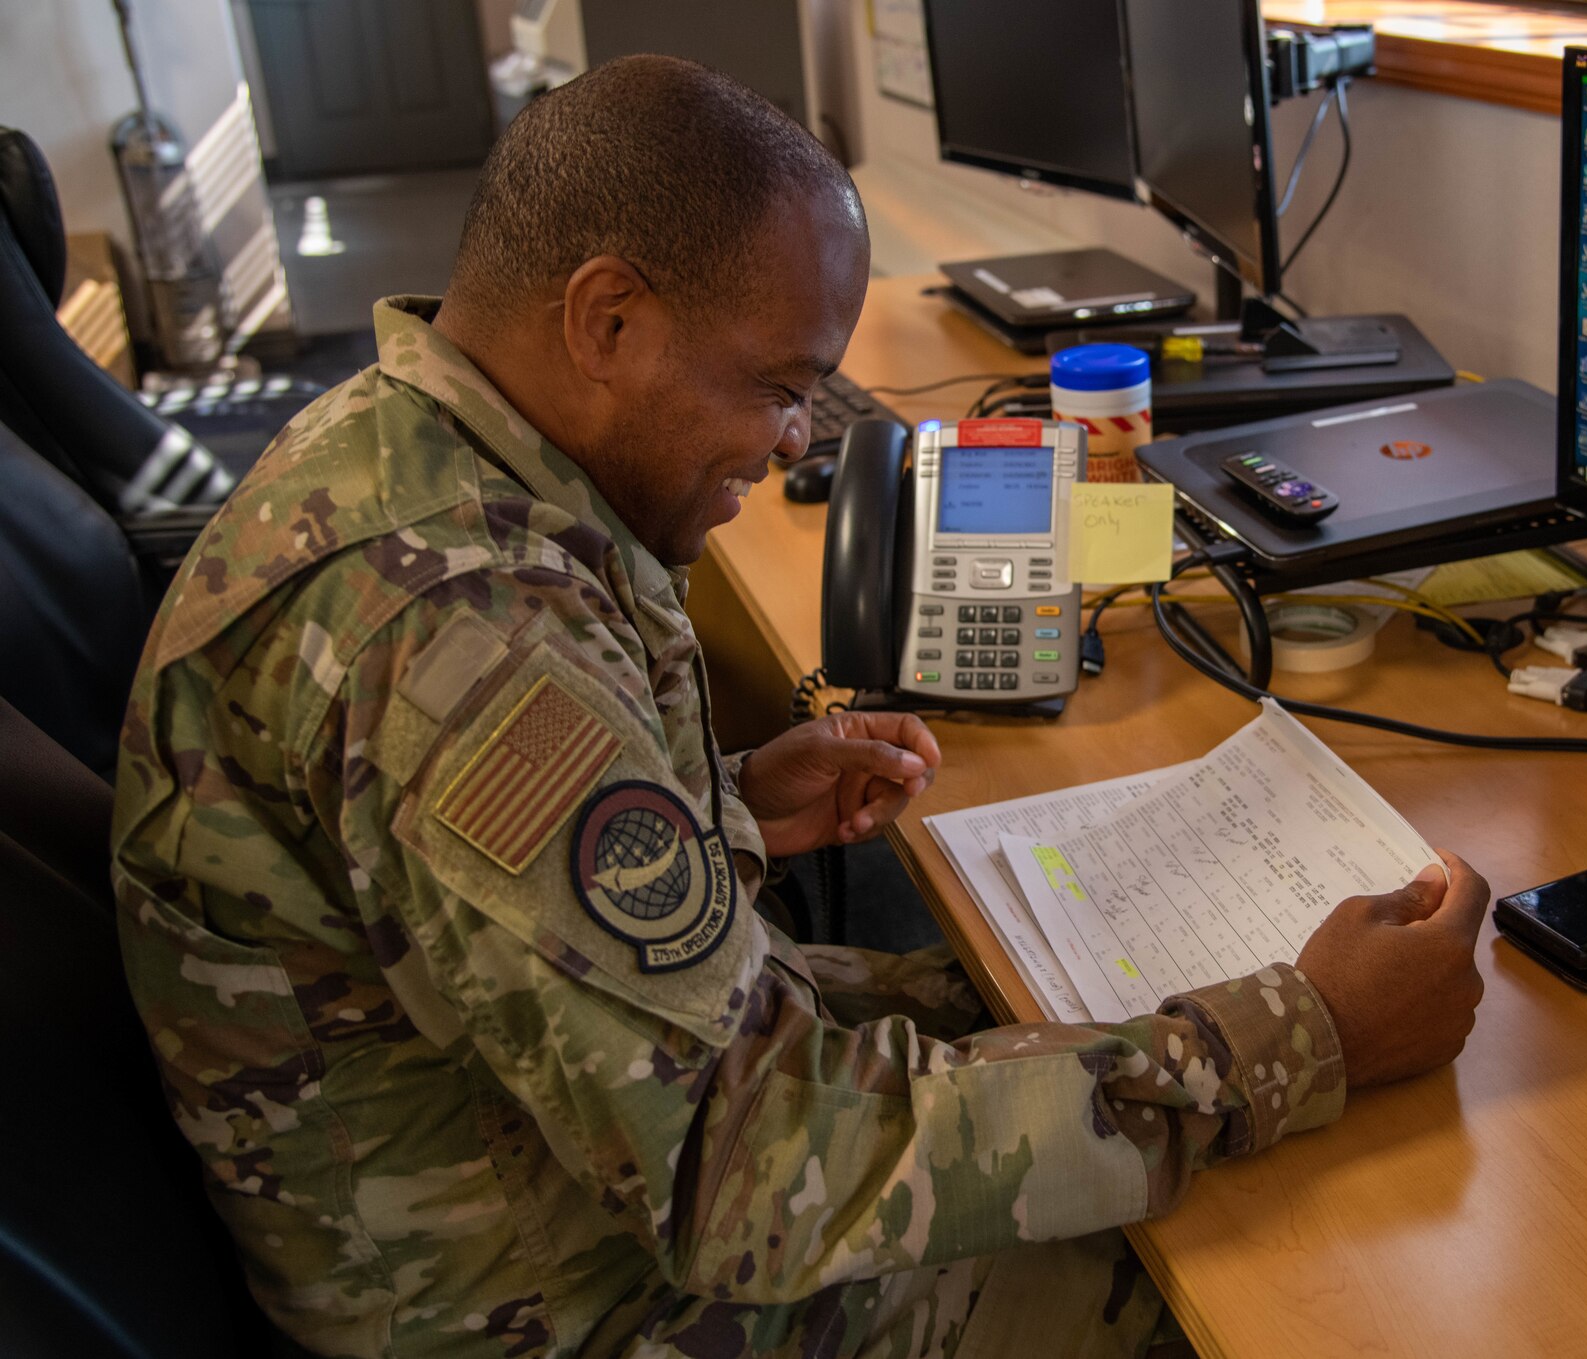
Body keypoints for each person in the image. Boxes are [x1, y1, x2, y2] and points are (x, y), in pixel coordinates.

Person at [111, 56, 1489, 1359]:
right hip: (560, 1301)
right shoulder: (456, 635)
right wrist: (1301, 1033)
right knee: (1274, 1275)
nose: (792, 444)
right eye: (775, 388)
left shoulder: (426, 451)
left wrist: (720, 811)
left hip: (535, 1150)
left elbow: (502, 922)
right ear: (607, 320)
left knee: (1029, 995)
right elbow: (738, 1170)